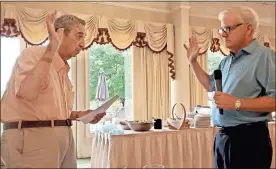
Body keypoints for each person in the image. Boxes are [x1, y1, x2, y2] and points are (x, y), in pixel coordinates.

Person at [1, 11, 106, 168]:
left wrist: (78, 115)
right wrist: (52, 48)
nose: (83, 44)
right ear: (60, 34)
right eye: (79, 36)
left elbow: (46, 110)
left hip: (63, 138)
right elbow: (27, 93)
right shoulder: (33, 55)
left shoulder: (62, 68)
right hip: (33, 138)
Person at [184, 6, 275, 168]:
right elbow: (211, 86)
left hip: (249, 140)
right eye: (221, 29)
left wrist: (236, 103)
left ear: (248, 29)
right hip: (223, 138)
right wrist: (193, 62)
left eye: (228, 28)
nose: (223, 33)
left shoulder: (264, 56)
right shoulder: (226, 61)